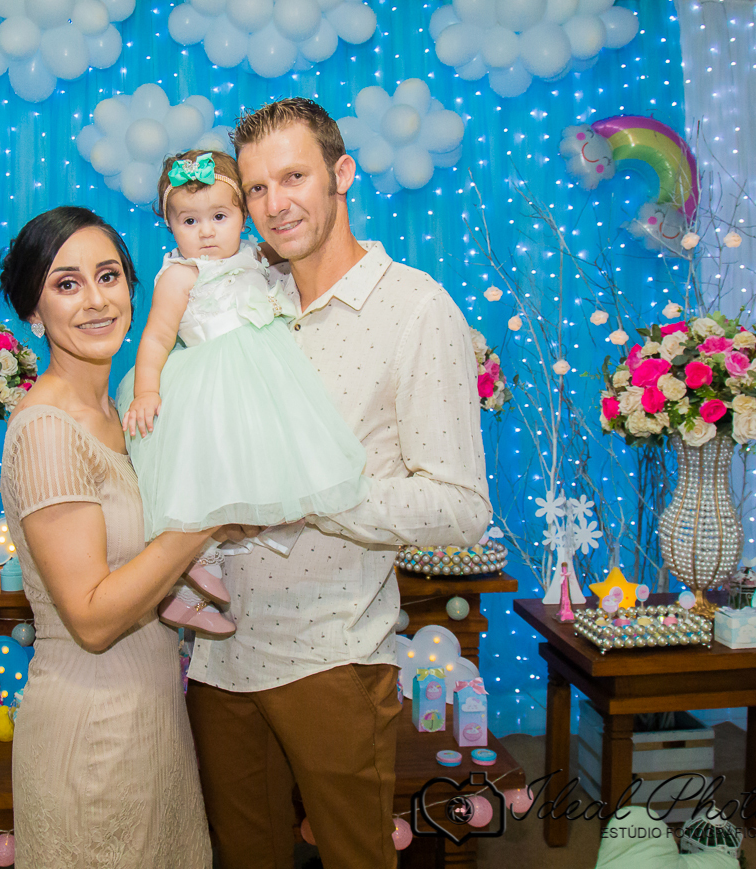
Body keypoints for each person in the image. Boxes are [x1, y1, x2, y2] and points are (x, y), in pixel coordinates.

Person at [184, 98, 491, 868]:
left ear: (341, 173)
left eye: (293, 177)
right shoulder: (242, 299)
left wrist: (309, 494)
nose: (274, 204)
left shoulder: (416, 309)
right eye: (256, 188)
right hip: (219, 655)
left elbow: (462, 508)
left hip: (333, 657)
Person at [0, 206, 213, 868]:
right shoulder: (47, 430)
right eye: (66, 284)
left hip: (152, 721)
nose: (95, 300)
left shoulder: (120, 407)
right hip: (93, 741)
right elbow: (91, 619)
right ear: (33, 312)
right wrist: (206, 521)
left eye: (109, 275)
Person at [117, 148, 369, 638]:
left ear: (243, 217)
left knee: (261, 471)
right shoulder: (181, 275)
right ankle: (194, 575)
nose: (206, 232)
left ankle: (191, 590)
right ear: (170, 226)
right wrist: (146, 389)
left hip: (264, 379)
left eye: (219, 216)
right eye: (190, 221)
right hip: (212, 384)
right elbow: (156, 337)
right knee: (209, 485)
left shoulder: (255, 255)